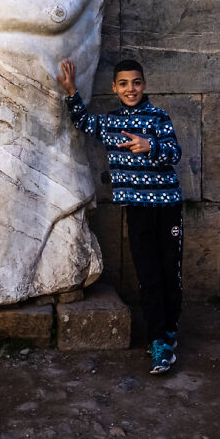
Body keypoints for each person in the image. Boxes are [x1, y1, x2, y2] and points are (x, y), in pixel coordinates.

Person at [57, 57, 183, 375]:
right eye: (124, 84)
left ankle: (168, 335)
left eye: (136, 82)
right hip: (137, 210)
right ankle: (159, 341)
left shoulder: (158, 118)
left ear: (145, 84)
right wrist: (71, 92)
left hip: (167, 208)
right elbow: (85, 122)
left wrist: (149, 145)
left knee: (170, 275)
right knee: (149, 276)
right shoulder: (112, 123)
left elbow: (175, 153)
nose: (131, 89)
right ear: (115, 88)